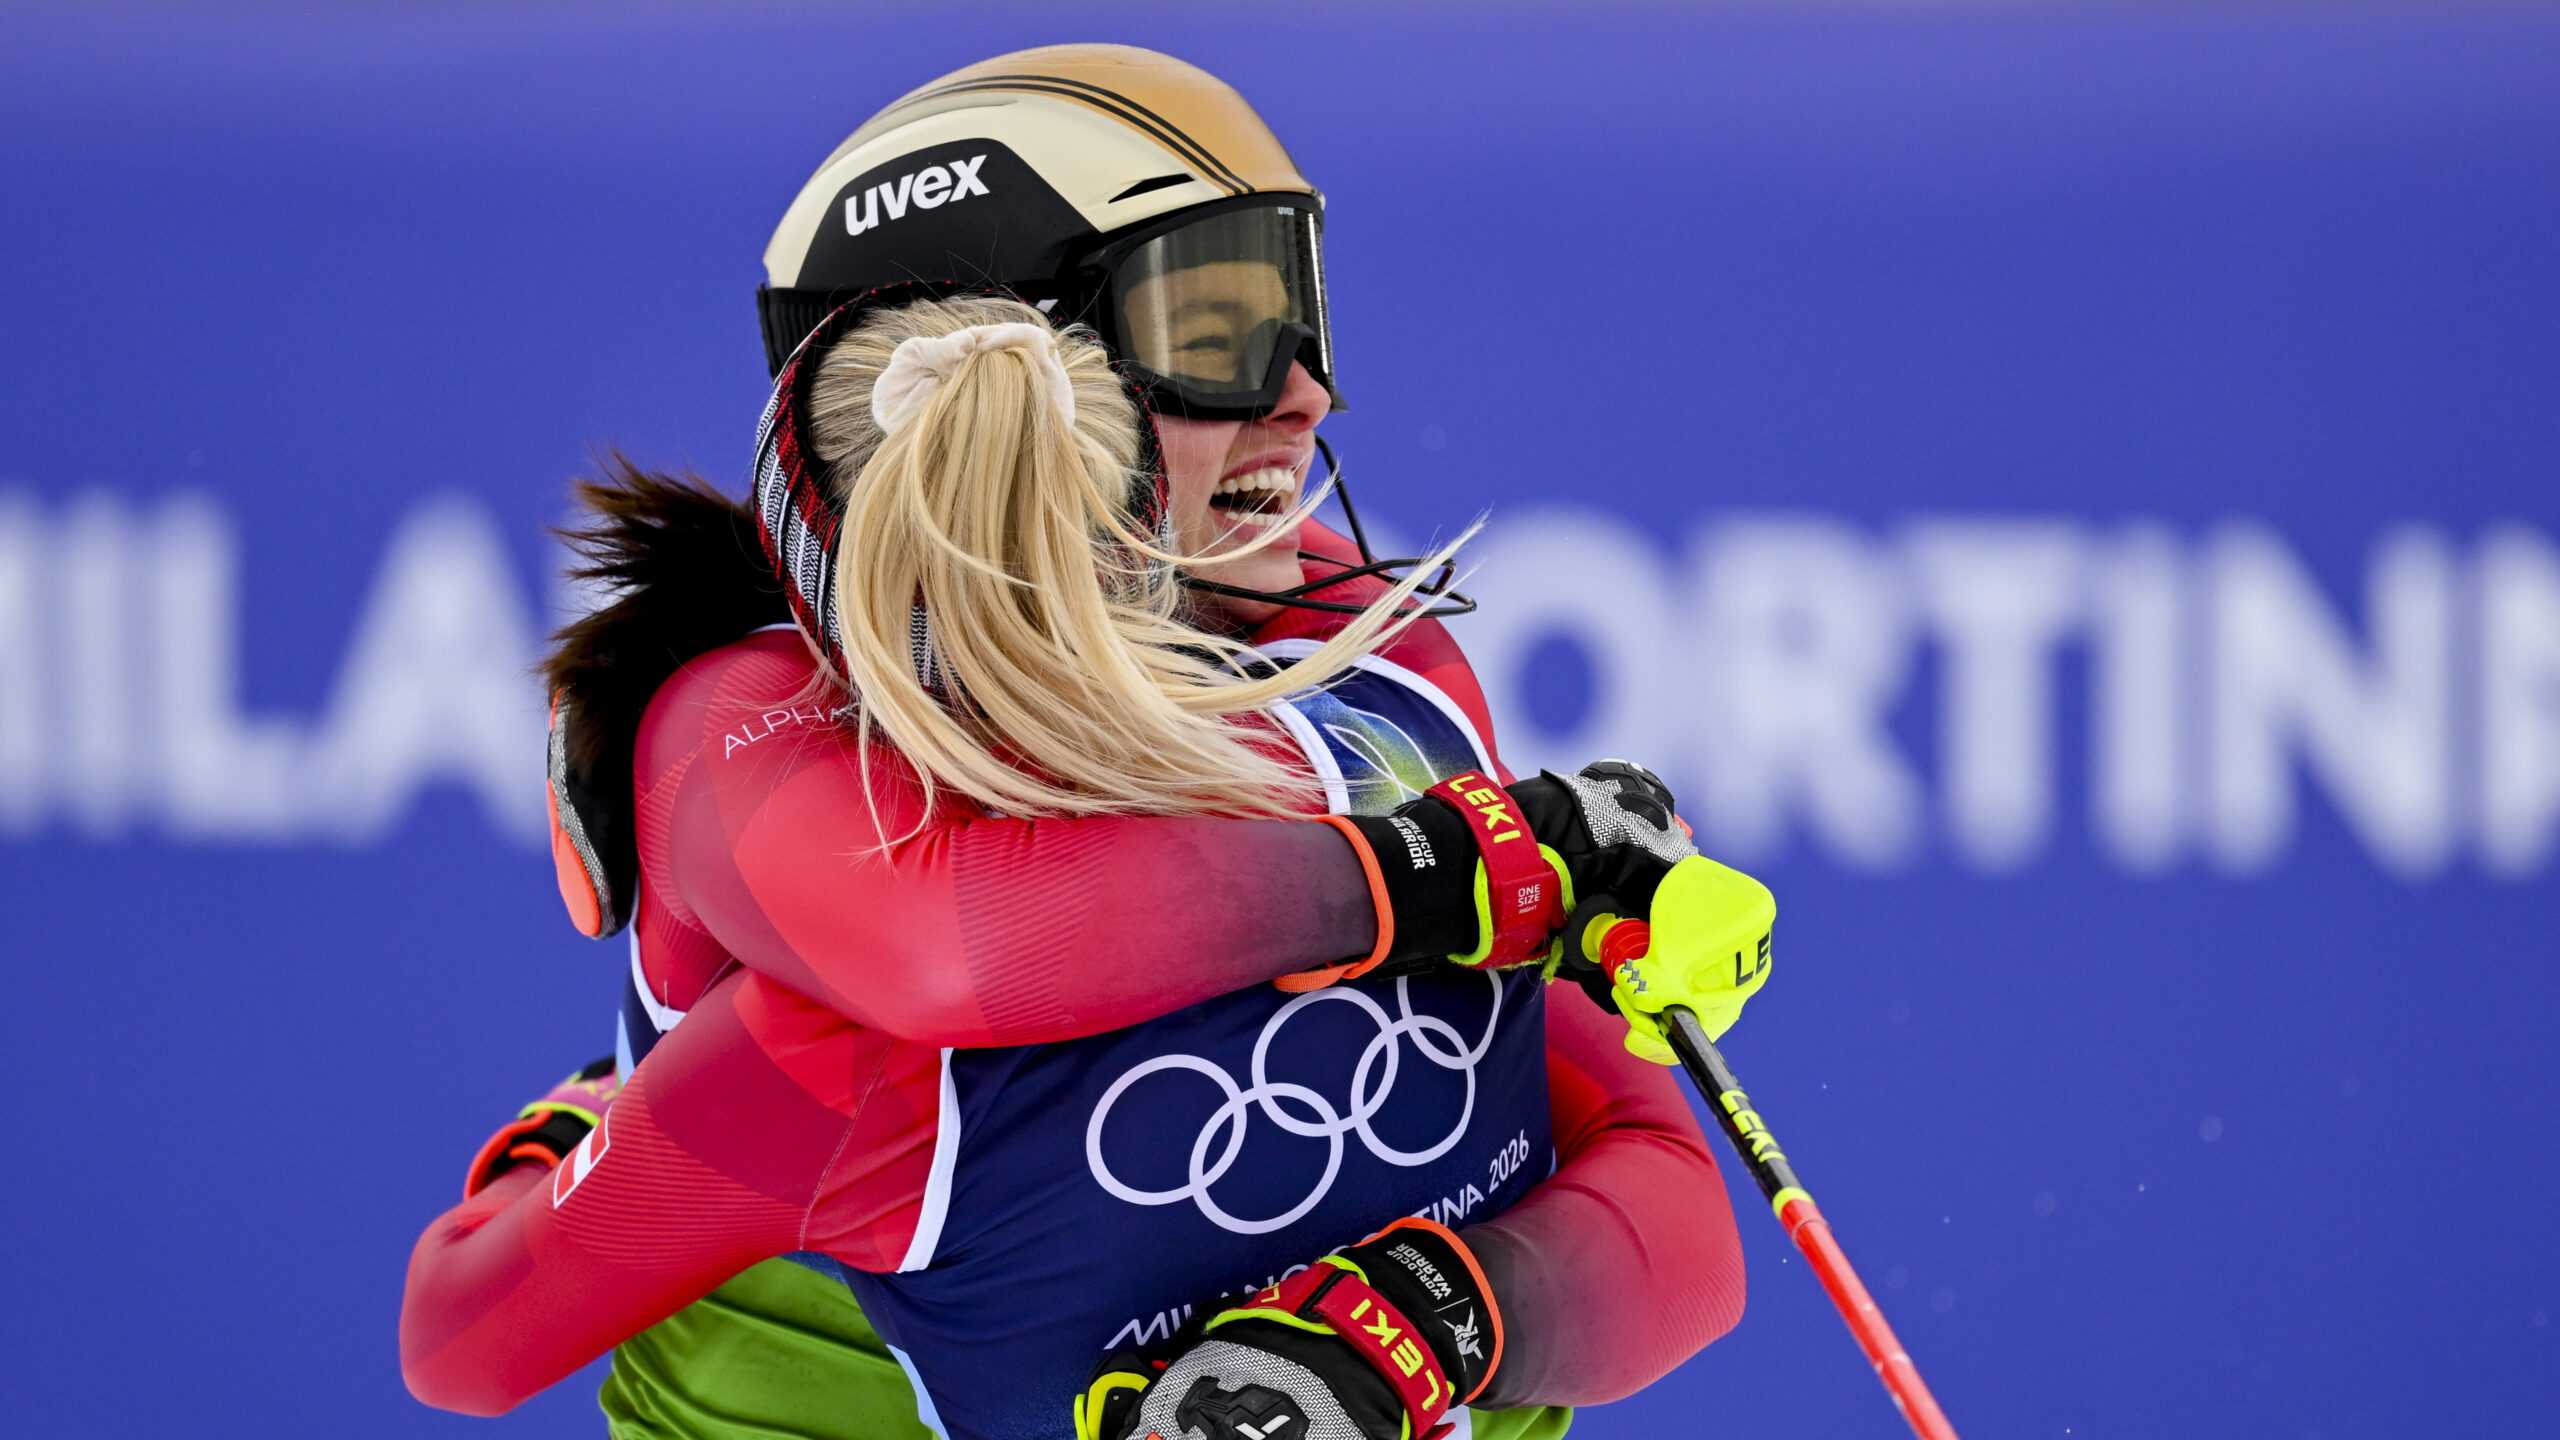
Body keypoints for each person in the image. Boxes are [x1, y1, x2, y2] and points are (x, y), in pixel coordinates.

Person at [401, 46, 1765, 1440]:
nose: (1305, 395)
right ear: (1029, 364)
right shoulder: (753, 720)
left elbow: (1667, 1193)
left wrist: (1413, 1322)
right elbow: (942, 954)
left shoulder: (1361, 656)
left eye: (1297, 317)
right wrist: (1425, 876)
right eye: (1216, 326)